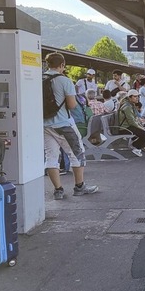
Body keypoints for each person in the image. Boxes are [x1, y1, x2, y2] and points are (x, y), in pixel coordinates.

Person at [43, 52, 98, 200]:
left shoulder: (40, 79)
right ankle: (79, 186)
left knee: (51, 157)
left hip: (45, 125)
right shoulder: (64, 80)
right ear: (62, 65)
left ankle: (58, 190)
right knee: (76, 154)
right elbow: (72, 105)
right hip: (64, 124)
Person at [117, 89, 145, 157]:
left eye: (138, 96)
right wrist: (141, 128)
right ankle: (136, 147)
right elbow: (131, 121)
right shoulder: (127, 107)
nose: (137, 98)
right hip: (125, 128)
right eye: (135, 96)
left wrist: (141, 125)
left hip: (128, 127)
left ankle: (135, 146)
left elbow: (134, 119)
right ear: (130, 97)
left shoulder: (130, 105)